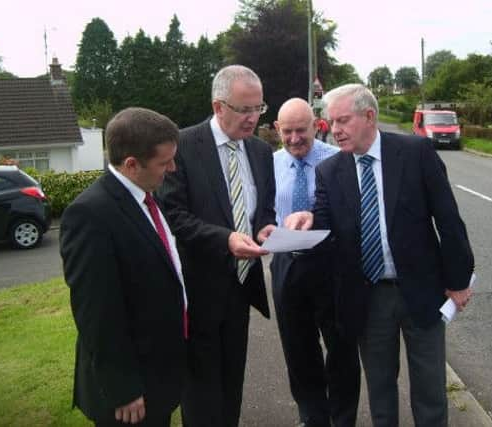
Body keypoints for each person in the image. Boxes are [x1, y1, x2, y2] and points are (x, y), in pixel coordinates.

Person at [285, 84, 475, 427]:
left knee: (430, 390)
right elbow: (325, 224)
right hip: (368, 297)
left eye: (343, 120)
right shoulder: (330, 170)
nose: (335, 129)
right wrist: (307, 220)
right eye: (331, 122)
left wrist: (458, 282)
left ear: (369, 116)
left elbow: (448, 220)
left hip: (422, 290)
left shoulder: (416, 152)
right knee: (381, 392)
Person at [157, 65, 276, 427]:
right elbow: (172, 216)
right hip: (198, 289)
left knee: (232, 381)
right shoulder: (183, 146)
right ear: (218, 106)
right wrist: (224, 239)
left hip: (241, 287)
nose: (253, 118)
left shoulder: (259, 151)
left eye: (259, 108)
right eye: (244, 109)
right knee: (201, 388)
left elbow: (263, 208)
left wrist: (266, 228)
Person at [60, 107, 188, 426]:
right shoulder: (90, 215)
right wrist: (123, 388)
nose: (172, 168)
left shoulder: (144, 195)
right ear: (131, 164)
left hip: (158, 376)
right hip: (131, 396)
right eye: (164, 162)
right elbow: (96, 313)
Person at [271, 97, 360, 427]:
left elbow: (352, 216)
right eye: (288, 131)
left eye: (302, 131)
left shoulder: (339, 161)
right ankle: (313, 417)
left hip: (331, 267)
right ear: (278, 129)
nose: (295, 139)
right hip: (287, 265)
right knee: (298, 348)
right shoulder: (271, 163)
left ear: (316, 126)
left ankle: (342, 418)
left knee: (341, 348)